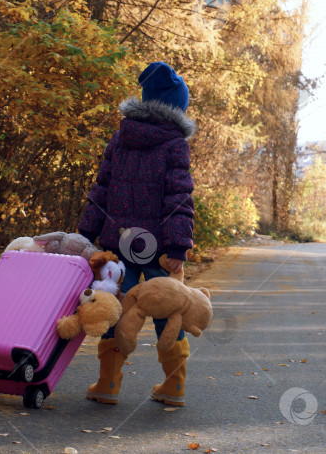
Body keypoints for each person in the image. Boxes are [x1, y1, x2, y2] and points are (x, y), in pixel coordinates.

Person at [77, 61, 195, 407]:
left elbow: (101, 189)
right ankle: (174, 387)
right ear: (177, 107)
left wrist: (86, 234)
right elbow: (179, 197)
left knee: (113, 307)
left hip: (118, 242)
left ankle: (107, 383)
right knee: (168, 311)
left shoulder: (121, 137)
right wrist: (177, 244)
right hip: (160, 249)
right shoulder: (175, 144)